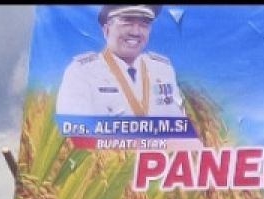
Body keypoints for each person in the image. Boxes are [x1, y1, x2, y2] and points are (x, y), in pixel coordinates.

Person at [56, 5, 186, 118]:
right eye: (127, 21)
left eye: (144, 23)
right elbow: (74, 132)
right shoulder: (81, 72)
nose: (136, 32)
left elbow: (179, 128)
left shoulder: (163, 70)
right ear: (106, 30)